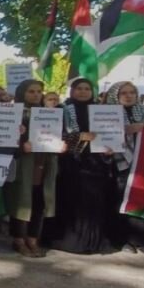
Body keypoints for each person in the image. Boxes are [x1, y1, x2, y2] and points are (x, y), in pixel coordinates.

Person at [49, 78, 116, 254]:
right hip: (71, 163)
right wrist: (78, 137)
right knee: (71, 200)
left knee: (93, 203)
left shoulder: (101, 111)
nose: (83, 92)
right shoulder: (61, 110)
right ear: (72, 90)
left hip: (96, 164)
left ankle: (91, 242)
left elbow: (110, 134)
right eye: (79, 88)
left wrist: (110, 147)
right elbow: (52, 135)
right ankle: (69, 241)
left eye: (87, 88)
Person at [4, 79, 59, 258]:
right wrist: (20, 145)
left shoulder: (49, 114)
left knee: (39, 201)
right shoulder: (13, 113)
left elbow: (57, 135)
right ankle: (18, 239)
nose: (36, 95)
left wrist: (61, 144)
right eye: (31, 91)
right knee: (21, 201)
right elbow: (2, 139)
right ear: (22, 93)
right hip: (24, 166)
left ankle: (33, 238)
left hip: (44, 164)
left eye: (38, 91)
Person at [105, 81, 144, 255]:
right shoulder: (107, 113)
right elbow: (105, 133)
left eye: (132, 92)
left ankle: (141, 240)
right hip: (119, 163)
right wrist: (128, 129)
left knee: (143, 201)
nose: (129, 96)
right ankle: (122, 240)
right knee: (122, 202)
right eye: (124, 93)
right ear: (116, 96)